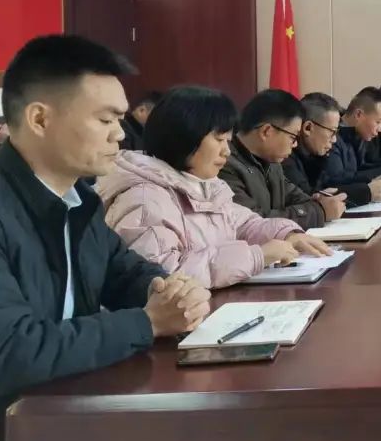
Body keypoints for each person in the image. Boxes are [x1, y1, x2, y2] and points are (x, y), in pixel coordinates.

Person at [0, 35, 232, 441]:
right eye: (105, 120)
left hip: (73, 412)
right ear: (40, 119)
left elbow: (127, 273)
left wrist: (173, 290)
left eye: (121, 120)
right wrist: (147, 322)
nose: (121, 135)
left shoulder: (80, 201)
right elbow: (13, 350)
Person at [97, 86, 331, 289]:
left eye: (227, 141)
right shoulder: (145, 198)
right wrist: (256, 256)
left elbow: (245, 223)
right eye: (219, 140)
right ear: (186, 136)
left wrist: (286, 234)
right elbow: (162, 278)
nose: (226, 151)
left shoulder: (206, 185)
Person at [220, 89, 347, 228]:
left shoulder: (272, 162)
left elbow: (298, 198)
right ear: (266, 131)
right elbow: (255, 224)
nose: (295, 144)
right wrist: (319, 211)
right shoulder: (224, 165)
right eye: (293, 137)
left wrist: (319, 202)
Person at [323, 87, 381, 201]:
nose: (380, 129)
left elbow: (357, 171)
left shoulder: (356, 134)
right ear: (358, 114)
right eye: (378, 122)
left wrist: (377, 179)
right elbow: (334, 184)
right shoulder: (332, 139)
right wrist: (369, 188)